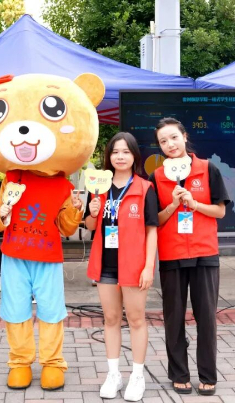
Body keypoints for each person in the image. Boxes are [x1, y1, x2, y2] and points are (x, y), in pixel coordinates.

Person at [149, 117, 230, 396]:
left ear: (184, 136)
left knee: (206, 317)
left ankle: (208, 374)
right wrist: (174, 204)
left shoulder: (208, 169)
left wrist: (194, 204)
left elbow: (220, 211)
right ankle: (179, 373)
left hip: (204, 252)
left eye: (173, 137)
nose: (170, 144)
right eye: (163, 141)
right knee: (174, 318)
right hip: (171, 254)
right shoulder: (156, 177)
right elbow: (155, 220)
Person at [85, 132, 158, 401]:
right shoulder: (99, 186)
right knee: (111, 319)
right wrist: (93, 211)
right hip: (106, 264)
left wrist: (148, 267)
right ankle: (113, 374)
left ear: (134, 155)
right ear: (109, 156)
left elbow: (152, 230)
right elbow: (90, 226)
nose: (120, 156)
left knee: (136, 320)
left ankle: (137, 376)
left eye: (126, 152)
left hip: (134, 265)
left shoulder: (145, 188)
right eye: (115, 152)